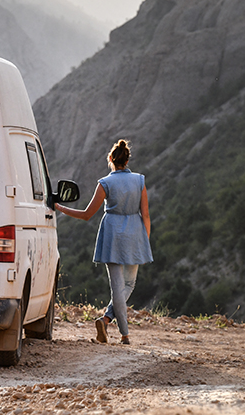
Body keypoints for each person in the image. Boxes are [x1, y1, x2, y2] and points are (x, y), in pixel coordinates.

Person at [54, 139, 152, 345]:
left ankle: (115, 327)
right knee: (129, 284)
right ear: (127, 159)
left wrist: (61, 208)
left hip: (112, 234)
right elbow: (146, 216)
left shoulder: (105, 183)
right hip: (135, 233)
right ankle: (114, 327)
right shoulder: (140, 181)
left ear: (111, 159)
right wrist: (145, 242)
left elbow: (87, 214)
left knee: (116, 286)